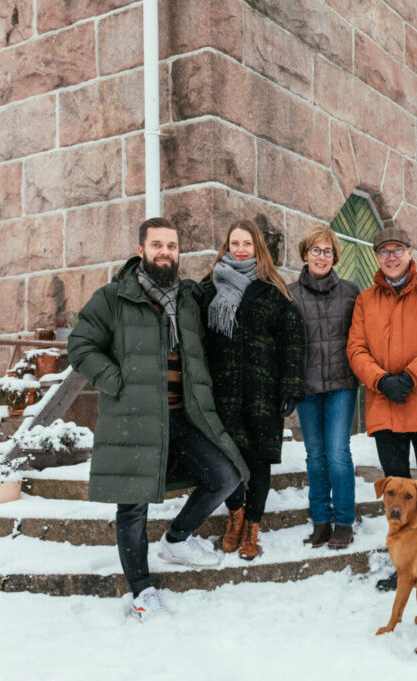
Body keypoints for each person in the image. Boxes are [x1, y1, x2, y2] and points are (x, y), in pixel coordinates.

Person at [68, 217, 249, 622]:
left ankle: (177, 538)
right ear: (141, 250)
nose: (165, 252)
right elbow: (80, 345)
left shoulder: (187, 299)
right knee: (132, 508)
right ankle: (142, 588)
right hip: (133, 418)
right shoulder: (113, 297)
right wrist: (119, 381)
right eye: (157, 245)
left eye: (172, 245)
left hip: (182, 417)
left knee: (226, 475)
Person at [346, 226, 417, 591]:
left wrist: (411, 377)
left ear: (410, 252)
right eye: (384, 252)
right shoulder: (366, 300)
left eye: (398, 250)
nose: (391, 257)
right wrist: (382, 381)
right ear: (376, 258)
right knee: (395, 494)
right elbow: (355, 349)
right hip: (385, 407)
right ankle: (403, 565)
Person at [194, 219, 305, 560]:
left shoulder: (274, 292)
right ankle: (235, 515)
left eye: (247, 244)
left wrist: (290, 387)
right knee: (228, 458)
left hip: (262, 392)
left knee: (258, 461)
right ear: (226, 248)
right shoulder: (207, 290)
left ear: (258, 249)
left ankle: (253, 527)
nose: (240, 249)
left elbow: (291, 343)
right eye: (234, 244)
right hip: (222, 390)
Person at [288, 226, 362, 549]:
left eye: (328, 251)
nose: (321, 256)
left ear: (335, 258)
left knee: (337, 453)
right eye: (316, 250)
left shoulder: (351, 292)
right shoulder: (289, 293)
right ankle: (320, 520)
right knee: (315, 456)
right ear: (305, 254)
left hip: (342, 384)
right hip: (307, 386)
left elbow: (361, 336)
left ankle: (344, 521)